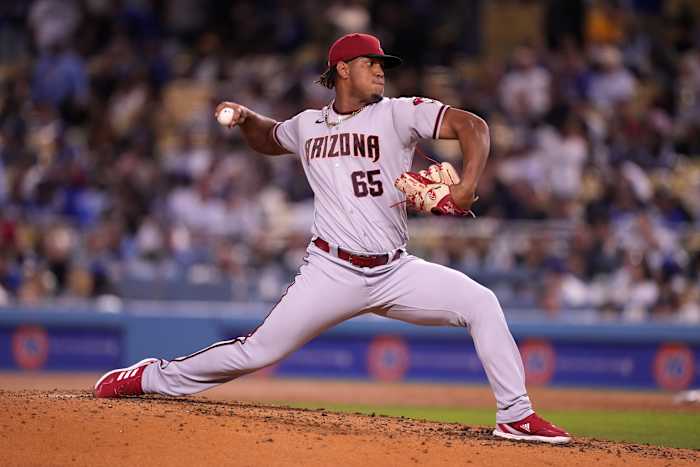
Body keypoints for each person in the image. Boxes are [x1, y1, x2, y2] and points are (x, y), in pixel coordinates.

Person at [94, 33, 571, 444]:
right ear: (343, 70)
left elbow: (473, 126)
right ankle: (151, 377)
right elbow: (270, 137)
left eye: (383, 64)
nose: (381, 71)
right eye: (371, 64)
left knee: (482, 302)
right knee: (256, 351)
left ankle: (515, 415)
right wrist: (244, 118)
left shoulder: (398, 114)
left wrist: (467, 186)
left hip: (394, 270)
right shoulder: (307, 124)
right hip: (330, 270)